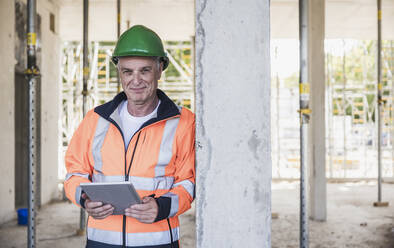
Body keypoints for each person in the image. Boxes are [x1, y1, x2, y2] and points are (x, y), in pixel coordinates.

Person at [64, 25, 195, 248]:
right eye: (128, 71)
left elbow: (189, 182)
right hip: (101, 241)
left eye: (144, 70)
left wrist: (161, 207)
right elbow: (74, 173)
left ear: (160, 69)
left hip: (158, 242)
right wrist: (85, 199)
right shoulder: (95, 120)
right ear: (119, 73)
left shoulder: (183, 122)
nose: (136, 80)